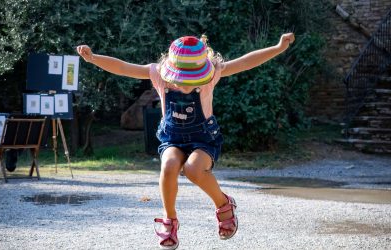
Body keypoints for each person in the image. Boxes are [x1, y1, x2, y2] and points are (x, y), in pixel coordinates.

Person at [77, 32, 295, 249]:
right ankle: (169, 220)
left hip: (204, 138)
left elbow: (246, 62)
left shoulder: (213, 73)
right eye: (182, 80)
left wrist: (277, 48)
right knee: (169, 165)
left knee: (193, 169)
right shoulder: (157, 74)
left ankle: (223, 204)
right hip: (172, 137)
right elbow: (124, 67)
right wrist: (94, 58)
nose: (186, 86)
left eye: (193, 81)